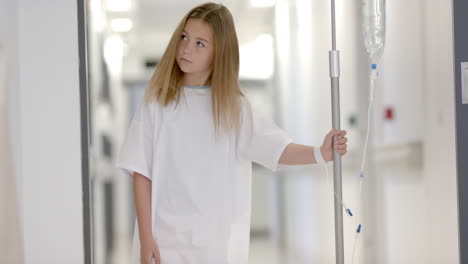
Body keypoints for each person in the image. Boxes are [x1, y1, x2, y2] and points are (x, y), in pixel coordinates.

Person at [116, 2, 348, 264]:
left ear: (219, 54)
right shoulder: (157, 104)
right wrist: (146, 238)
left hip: (216, 243)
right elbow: (141, 173)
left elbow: (276, 148)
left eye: (200, 43)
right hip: (164, 240)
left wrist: (320, 153)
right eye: (184, 37)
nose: (186, 48)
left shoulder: (233, 109)